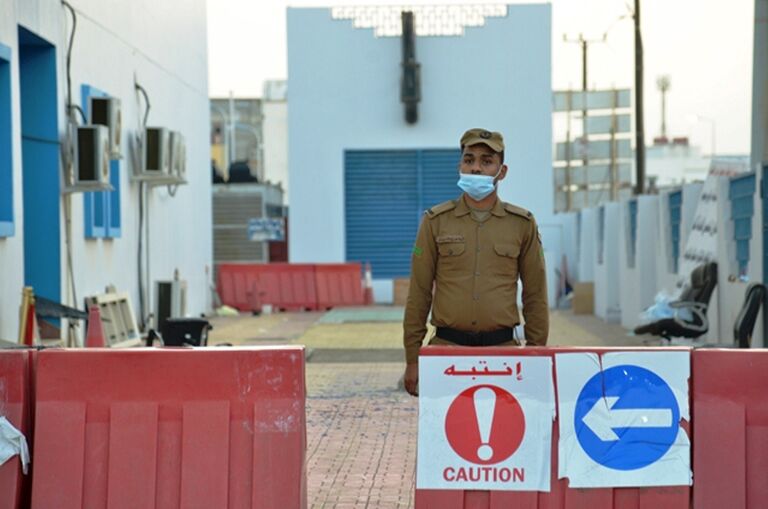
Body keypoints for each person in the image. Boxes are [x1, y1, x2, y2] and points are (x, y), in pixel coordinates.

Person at [402, 128, 549, 396]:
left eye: (486, 161)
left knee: (506, 433)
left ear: (501, 171)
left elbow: (535, 295)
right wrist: (413, 358)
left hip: (503, 352)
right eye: (469, 160)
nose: (476, 169)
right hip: (446, 352)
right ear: (460, 166)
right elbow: (419, 293)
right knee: (444, 434)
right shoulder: (435, 222)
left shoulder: (522, 224)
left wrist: (536, 353)